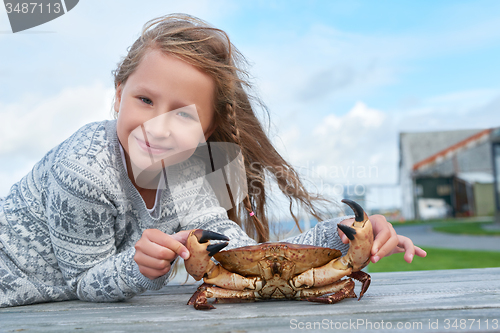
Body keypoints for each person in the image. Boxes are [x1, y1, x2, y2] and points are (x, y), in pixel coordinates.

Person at [0, 14, 425, 308]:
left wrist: (348, 235)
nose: (158, 126)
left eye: (183, 114)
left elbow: (235, 249)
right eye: (145, 100)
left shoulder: (186, 169)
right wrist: (136, 267)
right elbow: (82, 282)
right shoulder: (85, 171)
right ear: (118, 93)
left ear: (207, 129)